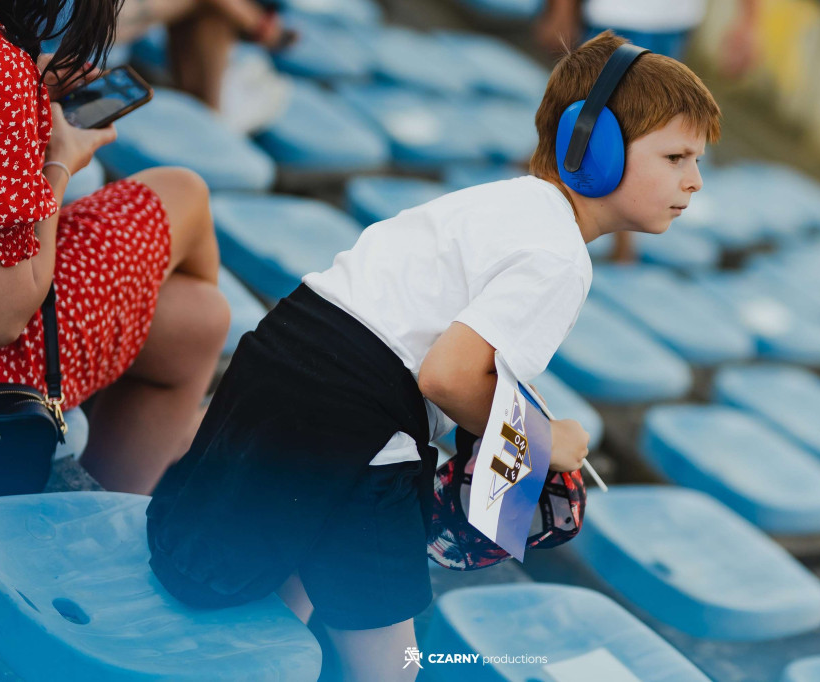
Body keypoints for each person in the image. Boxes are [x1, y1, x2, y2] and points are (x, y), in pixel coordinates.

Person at [145, 31, 720, 682]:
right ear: (594, 149)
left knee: (273, 612)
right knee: (393, 668)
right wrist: (543, 442)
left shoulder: (501, 202)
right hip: (357, 433)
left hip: (281, 367)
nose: (694, 181)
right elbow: (445, 375)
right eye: (677, 156)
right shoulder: (561, 257)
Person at [0, 0, 230, 495]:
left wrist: (30, 92)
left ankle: (100, 514)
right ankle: (124, 484)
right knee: (185, 192)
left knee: (200, 317)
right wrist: (58, 164)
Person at [537, 0, 757, 261]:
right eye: (677, 159)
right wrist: (562, 11)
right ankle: (613, 243)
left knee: (646, 125)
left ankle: (617, 244)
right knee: (605, 126)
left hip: (675, 21)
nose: (695, 183)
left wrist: (748, 23)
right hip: (619, 15)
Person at [114, 0, 296, 111]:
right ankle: (258, 25)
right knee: (212, 9)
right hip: (94, 18)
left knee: (212, 14)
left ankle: (205, 117)